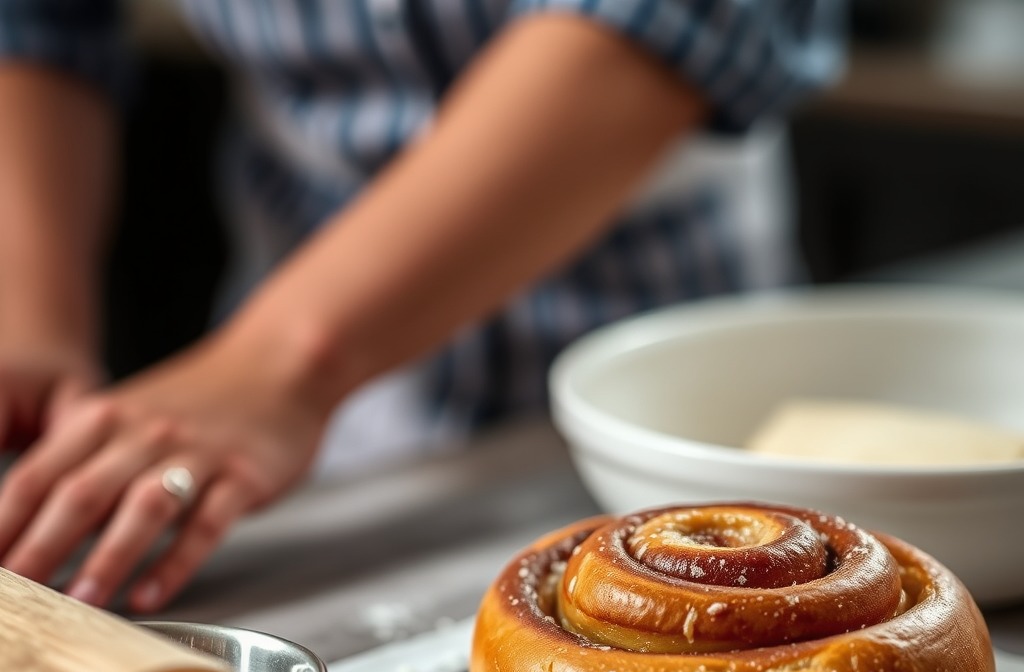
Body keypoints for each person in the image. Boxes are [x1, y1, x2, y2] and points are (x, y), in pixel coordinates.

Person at [0, 0, 844, 612]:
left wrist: (285, 359)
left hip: (668, 383)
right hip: (299, 427)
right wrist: (28, 316)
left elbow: (679, 16)